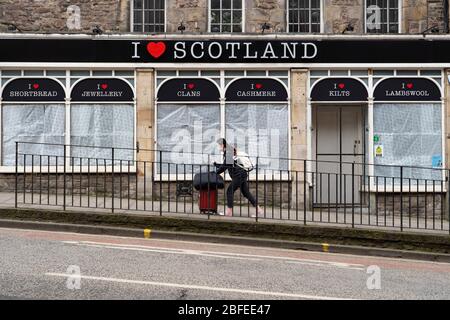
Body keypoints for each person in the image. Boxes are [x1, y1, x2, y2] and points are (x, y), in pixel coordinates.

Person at [214, 138, 263, 217]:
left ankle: (229, 212)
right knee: (246, 193)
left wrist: (216, 172)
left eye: (219, 145)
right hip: (241, 174)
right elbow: (227, 164)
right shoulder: (229, 151)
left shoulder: (229, 151)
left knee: (229, 191)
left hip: (238, 176)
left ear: (222, 145)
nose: (219, 148)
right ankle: (259, 209)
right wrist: (217, 165)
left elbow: (226, 165)